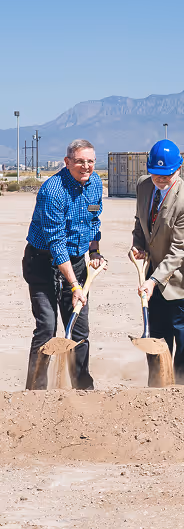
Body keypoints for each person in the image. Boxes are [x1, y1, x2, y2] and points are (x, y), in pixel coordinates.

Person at [23, 139, 105, 390]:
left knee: (79, 328)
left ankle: (83, 388)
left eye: (90, 161)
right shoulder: (53, 191)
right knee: (47, 326)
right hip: (43, 263)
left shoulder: (96, 183)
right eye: (80, 161)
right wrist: (74, 286)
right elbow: (57, 244)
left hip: (77, 262)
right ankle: (35, 392)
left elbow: (94, 219)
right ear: (67, 162)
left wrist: (94, 250)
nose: (86, 166)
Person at [130, 139, 184, 384]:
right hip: (155, 278)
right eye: (156, 174)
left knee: (183, 337)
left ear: (179, 169)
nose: (161, 179)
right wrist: (138, 244)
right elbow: (140, 223)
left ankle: (183, 391)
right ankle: (158, 386)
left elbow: (179, 250)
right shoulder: (143, 186)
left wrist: (153, 280)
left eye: (167, 175)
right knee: (157, 336)